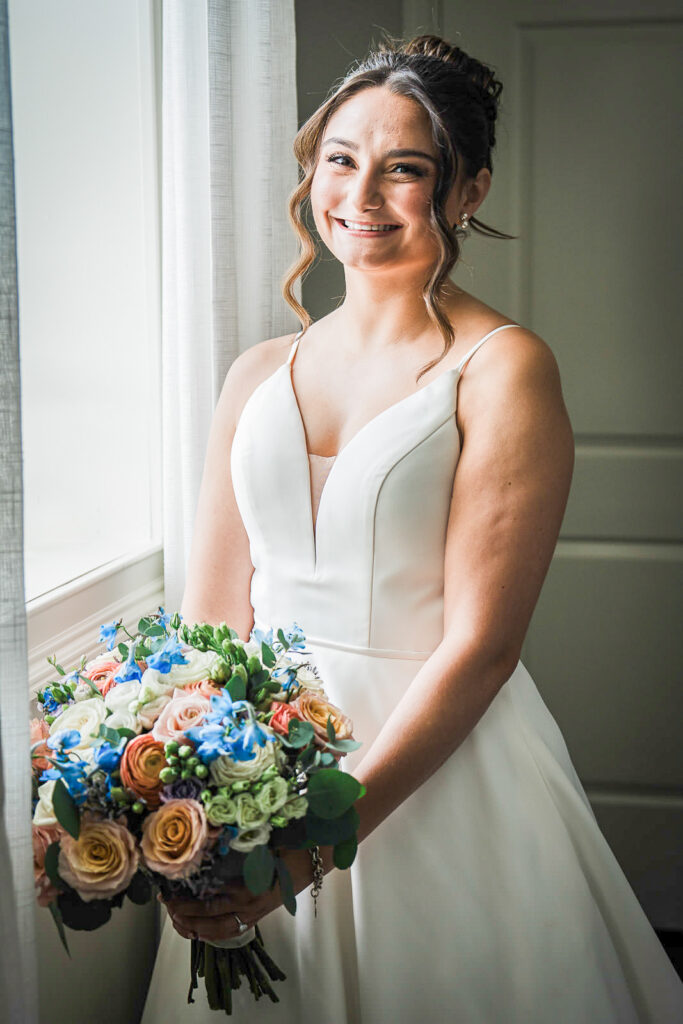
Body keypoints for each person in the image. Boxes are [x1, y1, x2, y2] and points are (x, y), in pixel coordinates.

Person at [142, 34, 683, 1023]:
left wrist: (318, 839)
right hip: (254, 763)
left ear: (466, 190)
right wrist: (181, 803)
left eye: (406, 169)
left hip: (433, 772)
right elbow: (207, 623)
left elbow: (482, 647)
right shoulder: (254, 374)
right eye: (341, 158)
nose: (361, 193)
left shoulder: (503, 368)